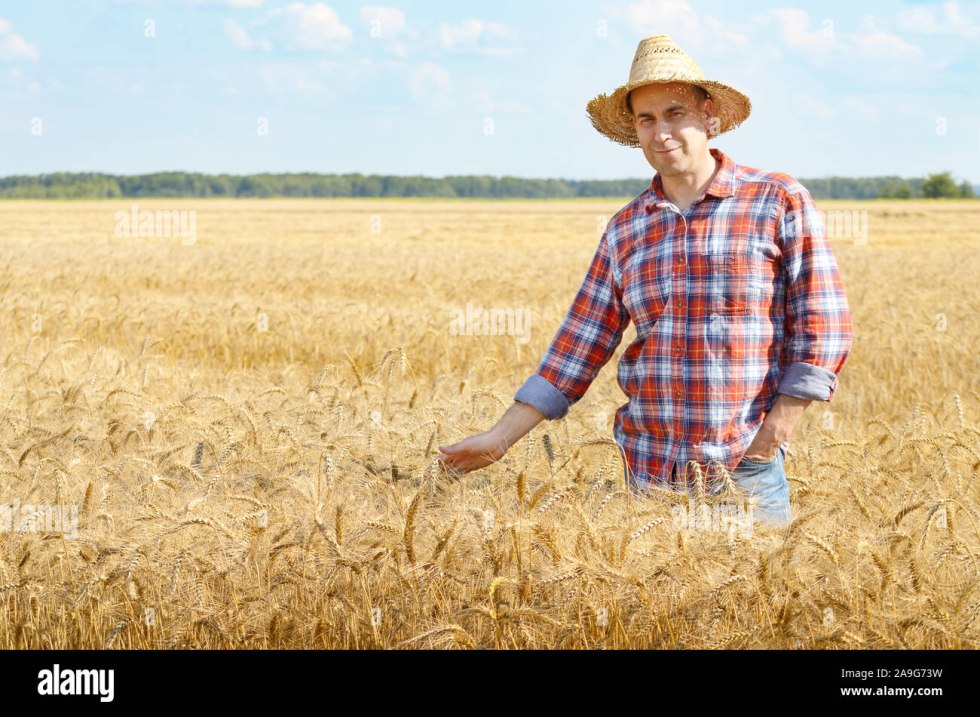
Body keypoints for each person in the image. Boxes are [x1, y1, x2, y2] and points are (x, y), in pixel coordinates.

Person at [437, 35, 853, 527]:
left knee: (755, 604)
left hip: (745, 470)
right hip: (649, 473)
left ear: (709, 115)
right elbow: (578, 345)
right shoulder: (626, 227)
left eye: (676, 113)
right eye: (647, 119)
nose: (662, 133)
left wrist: (770, 440)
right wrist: (500, 438)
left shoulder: (776, 200)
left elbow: (823, 325)